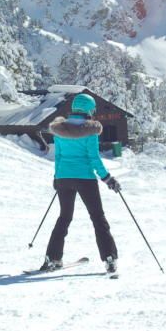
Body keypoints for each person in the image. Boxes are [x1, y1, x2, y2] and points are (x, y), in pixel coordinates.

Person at [41, 94, 120, 275]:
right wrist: (107, 178)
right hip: (85, 179)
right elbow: (94, 159)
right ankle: (109, 258)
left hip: (64, 179)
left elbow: (58, 156)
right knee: (98, 218)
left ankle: (52, 258)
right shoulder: (90, 130)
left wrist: (57, 177)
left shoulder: (60, 129)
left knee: (64, 217)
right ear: (89, 109)